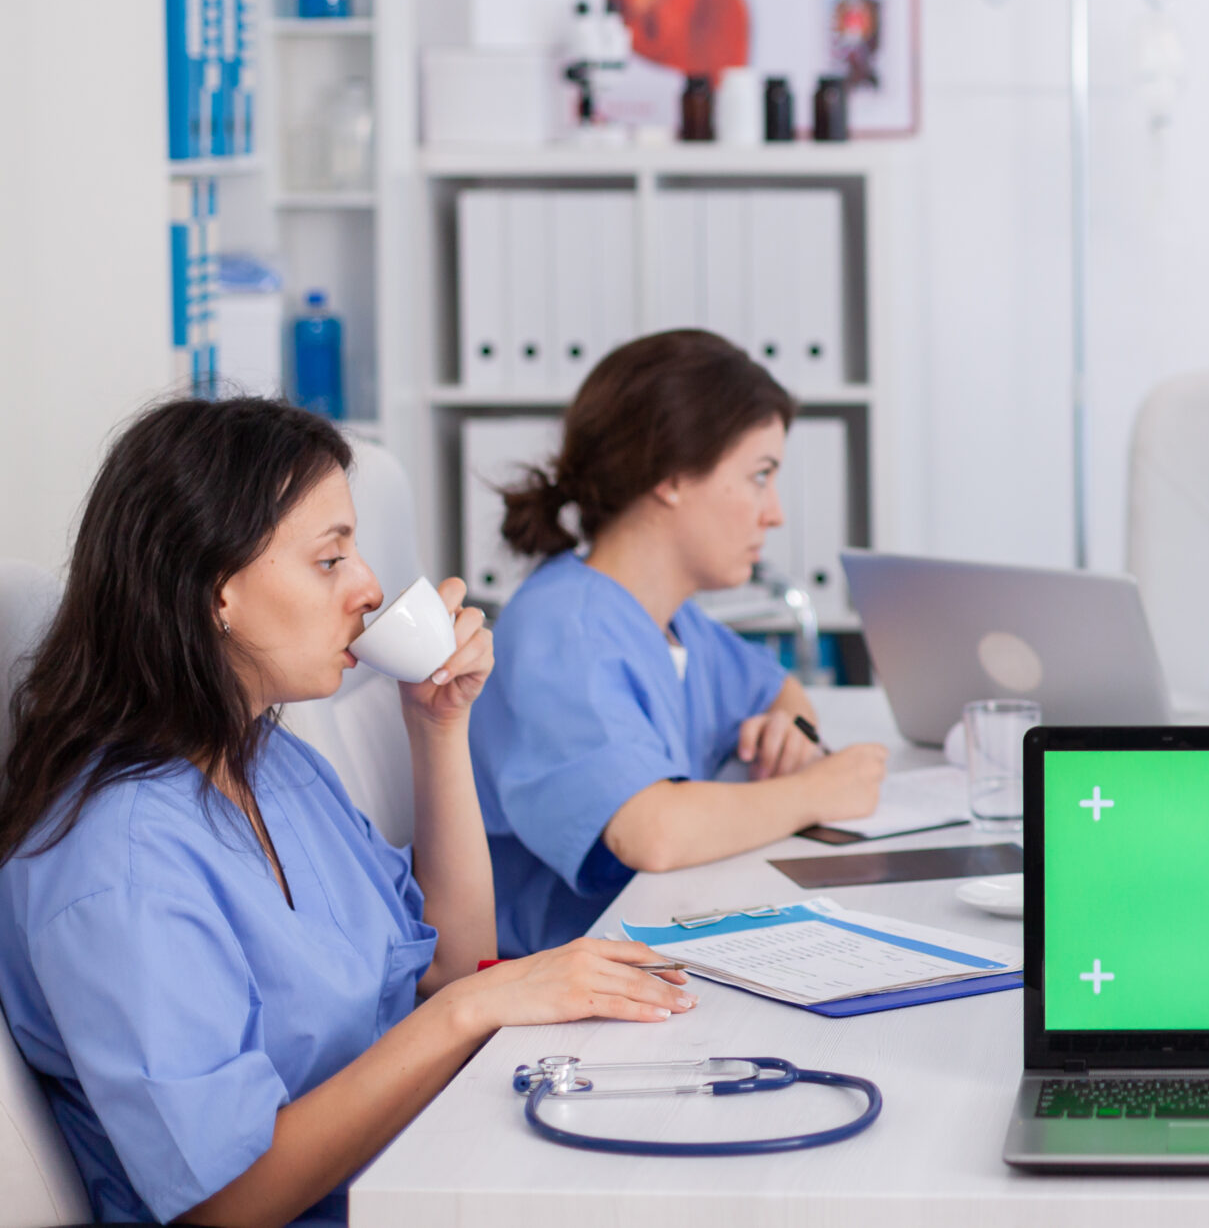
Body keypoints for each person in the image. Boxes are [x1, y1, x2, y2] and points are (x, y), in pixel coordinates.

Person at [0, 398, 693, 1226]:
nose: (369, 587)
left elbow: (453, 958)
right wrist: (469, 1010)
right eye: (330, 560)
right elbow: (226, 1202)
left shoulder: (269, 762)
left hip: (425, 1163)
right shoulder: (118, 861)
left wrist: (438, 727)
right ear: (216, 592)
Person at [472, 330, 886, 955]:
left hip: (648, 943)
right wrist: (820, 789)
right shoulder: (565, 630)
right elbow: (651, 832)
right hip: (546, 982)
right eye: (759, 476)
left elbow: (780, 688)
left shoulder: (670, 621)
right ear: (670, 474)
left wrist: (786, 724)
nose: (773, 513)